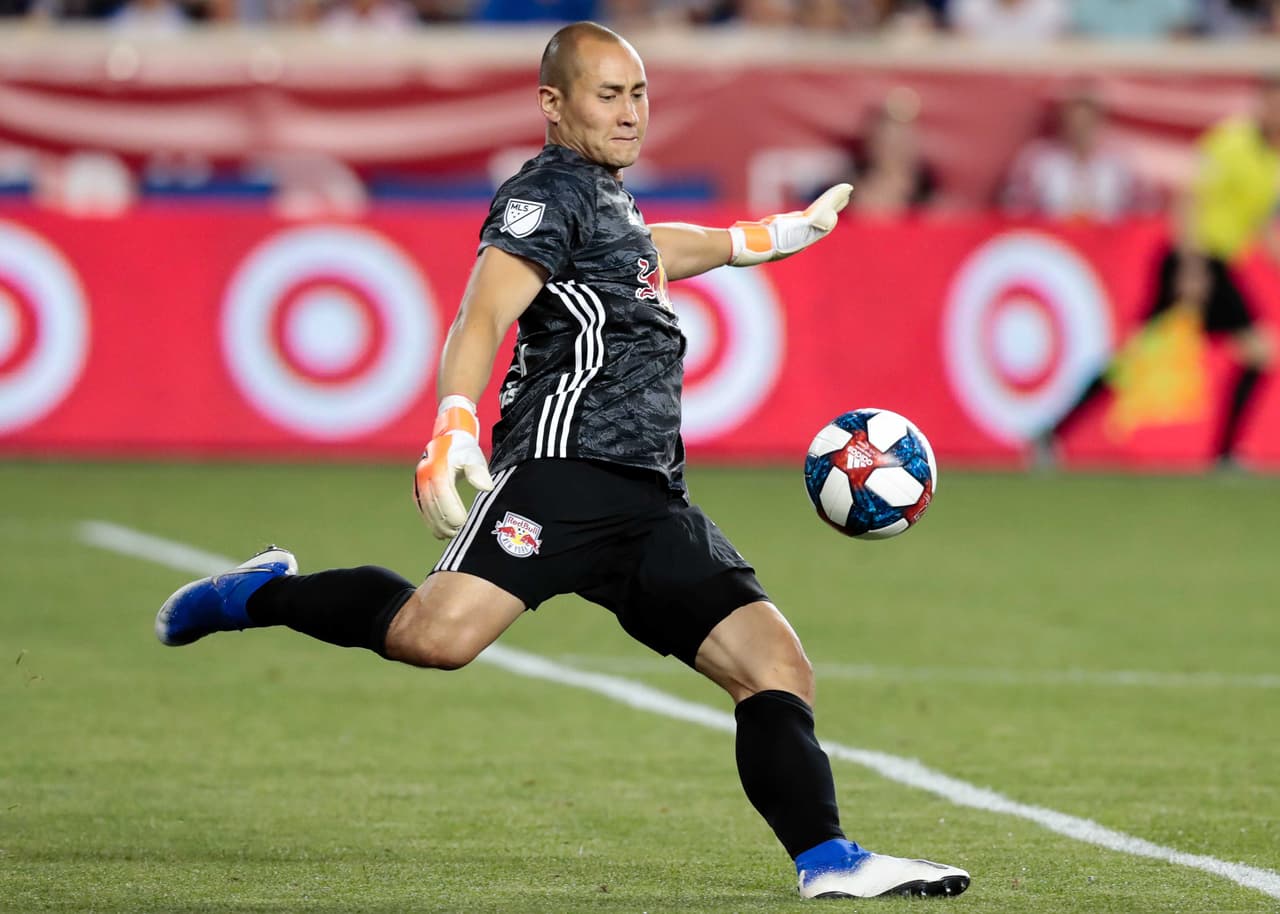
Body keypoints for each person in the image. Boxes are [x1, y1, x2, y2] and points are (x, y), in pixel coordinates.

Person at [154, 21, 970, 901]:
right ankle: (260, 593)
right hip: (563, 472)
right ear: (554, 103)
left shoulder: (608, 199)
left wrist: (765, 237)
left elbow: (654, 250)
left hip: (651, 499)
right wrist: (453, 424)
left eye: (640, 93)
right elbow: (482, 313)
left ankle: (829, 862)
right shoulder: (545, 192)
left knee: (774, 667)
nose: (630, 113)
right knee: (436, 639)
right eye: (608, 94)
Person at [1039, 74, 1279, 467]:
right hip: (1196, 259)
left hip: (1220, 264)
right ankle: (1224, 454)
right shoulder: (1232, 141)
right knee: (1251, 351)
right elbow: (1189, 198)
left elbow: (1259, 225)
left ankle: (1053, 433)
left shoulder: (1273, 160)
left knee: (1149, 356)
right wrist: (1190, 265)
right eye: (1271, 101)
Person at [1001, 86, 1144, 223]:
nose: (1080, 129)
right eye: (1074, 121)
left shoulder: (1120, 163)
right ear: (1063, 121)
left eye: (1087, 121)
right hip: (1052, 241)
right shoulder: (1037, 160)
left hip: (1110, 241)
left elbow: (1142, 213)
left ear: (1100, 121)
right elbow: (1014, 211)